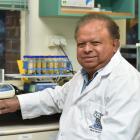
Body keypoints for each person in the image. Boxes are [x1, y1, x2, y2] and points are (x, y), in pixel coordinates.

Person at [0, 14, 140, 140]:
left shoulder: (127, 83)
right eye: (81, 44)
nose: (87, 49)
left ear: (115, 44)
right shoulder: (84, 75)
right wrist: (14, 102)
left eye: (95, 43)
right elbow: (58, 97)